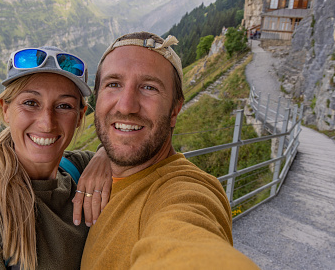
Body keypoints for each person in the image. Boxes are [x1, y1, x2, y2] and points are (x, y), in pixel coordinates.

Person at [81, 32, 260, 269]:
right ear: (97, 98)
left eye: (149, 87)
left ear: (175, 110)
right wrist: (101, 152)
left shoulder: (183, 191)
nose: (126, 105)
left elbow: (187, 233)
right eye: (113, 84)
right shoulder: (84, 170)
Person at [0, 46, 112, 270]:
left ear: (79, 117)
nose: (47, 122)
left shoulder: (80, 169)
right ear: (5, 110)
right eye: (30, 103)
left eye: (64, 106)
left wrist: (106, 153)